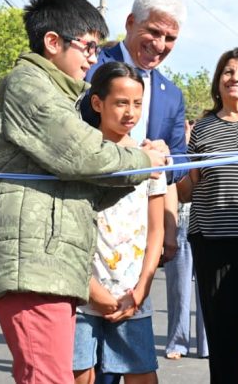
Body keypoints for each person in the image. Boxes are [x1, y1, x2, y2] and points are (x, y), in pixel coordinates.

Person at [0, 0, 167, 384]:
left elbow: (80, 182)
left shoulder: (57, 95)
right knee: (48, 378)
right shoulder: (29, 87)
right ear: (53, 42)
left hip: (51, 267)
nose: (93, 58)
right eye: (89, 47)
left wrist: (137, 169)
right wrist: (142, 161)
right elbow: (82, 156)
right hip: (34, 266)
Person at [86, 0, 207, 359]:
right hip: (89, 227)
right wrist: (133, 155)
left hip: (139, 235)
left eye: (170, 38)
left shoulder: (172, 94)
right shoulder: (89, 68)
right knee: (83, 360)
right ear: (130, 23)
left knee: (132, 359)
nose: (159, 44)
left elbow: (178, 165)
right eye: (153, 32)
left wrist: (166, 159)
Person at [176, 47, 238, 383]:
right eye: (228, 72)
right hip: (212, 243)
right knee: (222, 337)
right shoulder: (202, 128)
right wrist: (171, 172)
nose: (235, 78)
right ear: (218, 82)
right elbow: (187, 190)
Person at [74, 62, 166, 384]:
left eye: (137, 103)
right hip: (82, 294)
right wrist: (90, 289)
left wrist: (141, 289)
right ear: (98, 103)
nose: (130, 112)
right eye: (121, 103)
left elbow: (157, 231)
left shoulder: (151, 160)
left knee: (142, 373)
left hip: (131, 294)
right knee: (78, 374)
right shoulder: (82, 157)